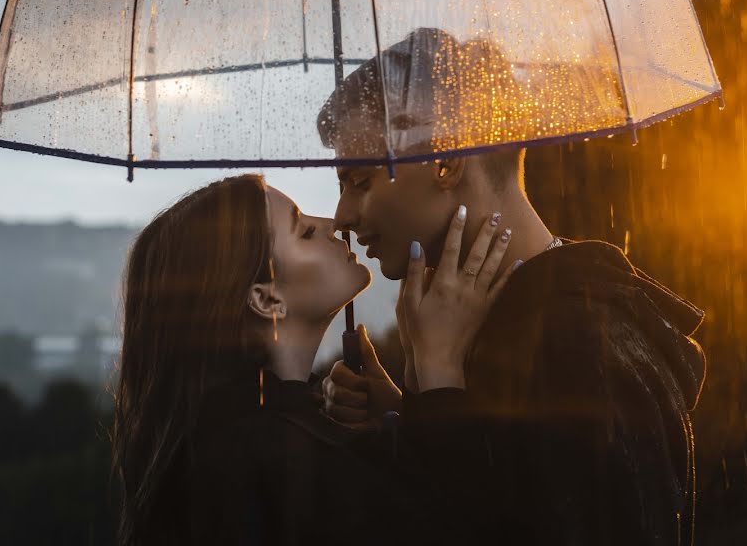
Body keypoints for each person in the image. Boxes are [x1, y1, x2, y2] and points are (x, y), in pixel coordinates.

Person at [320, 28, 707, 545]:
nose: (343, 217)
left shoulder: (576, 340)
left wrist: (437, 383)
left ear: (445, 162)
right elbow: (511, 496)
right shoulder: (512, 324)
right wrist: (408, 414)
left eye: (360, 180)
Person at [110, 173, 514, 545]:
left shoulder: (243, 439)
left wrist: (395, 416)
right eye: (304, 231)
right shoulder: (270, 460)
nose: (333, 224)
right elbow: (461, 527)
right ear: (267, 298)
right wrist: (439, 368)